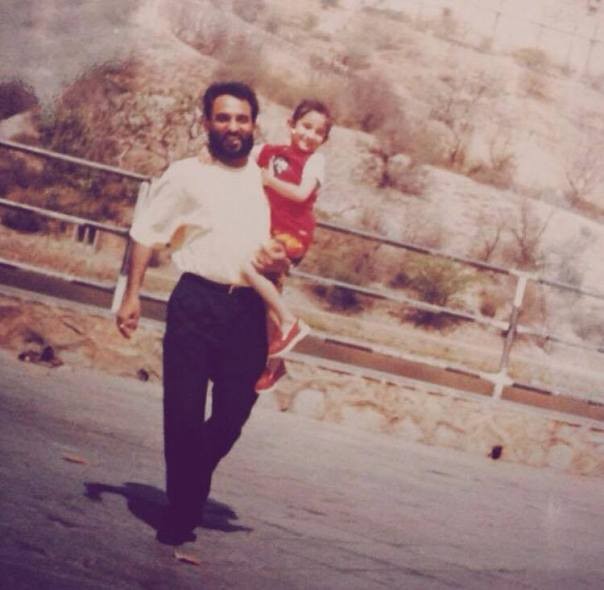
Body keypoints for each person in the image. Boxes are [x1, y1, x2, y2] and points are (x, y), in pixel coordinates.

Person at [115, 81, 289, 545]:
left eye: (242, 119)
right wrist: (132, 296)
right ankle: (181, 512)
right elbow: (145, 233)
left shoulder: (262, 180)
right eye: (223, 118)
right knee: (183, 412)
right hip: (196, 302)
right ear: (207, 122)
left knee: (234, 413)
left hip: (249, 309)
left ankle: (190, 479)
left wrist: (279, 286)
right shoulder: (186, 174)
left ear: (254, 125)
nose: (233, 127)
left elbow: (287, 241)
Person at [200, 99, 332, 393]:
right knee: (263, 299)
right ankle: (272, 365)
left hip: (293, 234)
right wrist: (210, 152)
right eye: (306, 126)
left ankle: (289, 322)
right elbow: (237, 153)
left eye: (318, 132)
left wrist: (269, 181)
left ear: (324, 139)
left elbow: (301, 194)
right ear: (291, 124)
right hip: (266, 231)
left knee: (248, 269)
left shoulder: (315, 162)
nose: (310, 135)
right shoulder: (269, 151)